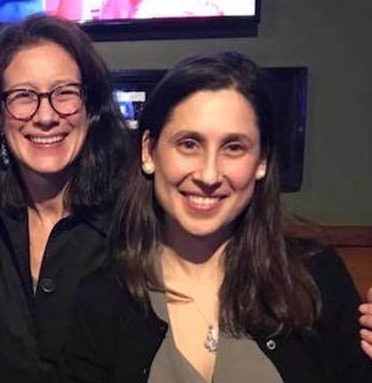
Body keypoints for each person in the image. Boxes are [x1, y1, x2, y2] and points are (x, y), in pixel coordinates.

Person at [65, 51, 372, 382]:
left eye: (234, 147)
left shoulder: (316, 279)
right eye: (189, 144)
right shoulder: (101, 299)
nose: (209, 175)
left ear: (262, 161)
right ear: (148, 152)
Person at [0, 14, 128, 382]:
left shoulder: (137, 216)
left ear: (92, 106)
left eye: (65, 93)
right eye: (24, 96)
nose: (45, 116)